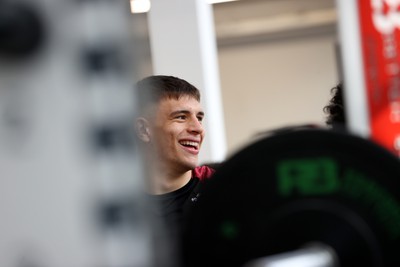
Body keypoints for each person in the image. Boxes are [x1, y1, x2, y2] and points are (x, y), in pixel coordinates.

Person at [133, 75, 216, 247]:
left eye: (199, 118)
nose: (198, 128)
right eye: (181, 117)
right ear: (143, 130)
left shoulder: (224, 189)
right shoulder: (115, 205)